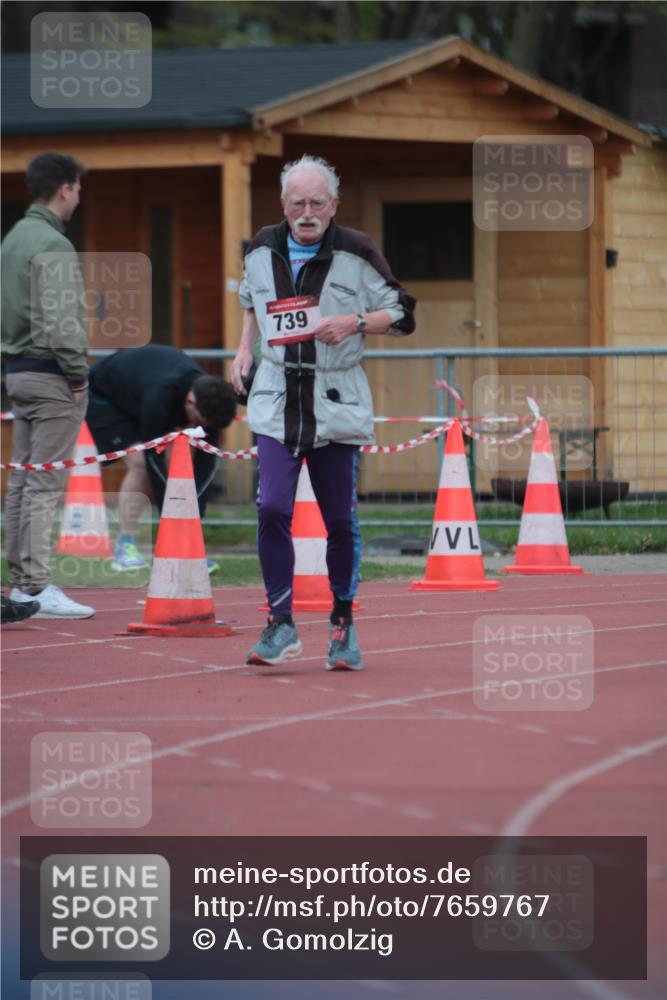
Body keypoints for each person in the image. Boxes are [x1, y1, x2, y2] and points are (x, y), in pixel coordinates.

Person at [231, 154, 415, 670]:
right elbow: (249, 296)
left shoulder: (358, 251)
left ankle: (342, 621)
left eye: (316, 203)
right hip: (276, 398)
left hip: (335, 399)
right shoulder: (262, 246)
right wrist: (244, 349)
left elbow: (403, 313)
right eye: (297, 203)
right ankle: (280, 623)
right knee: (271, 510)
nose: (306, 213)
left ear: (334, 204)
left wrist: (355, 321)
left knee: (338, 518)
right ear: (283, 205)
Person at [2, 151, 95, 619]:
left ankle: (22, 583)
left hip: (16, 370)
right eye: (78, 188)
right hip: (51, 373)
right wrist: (77, 375)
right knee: (43, 482)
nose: (79, 197)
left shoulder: (14, 238)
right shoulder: (54, 245)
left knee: (22, 479)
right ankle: (35, 585)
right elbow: (61, 323)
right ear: (65, 188)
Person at [86, 344, 237, 570]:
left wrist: (193, 522)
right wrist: (174, 519)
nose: (200, 427)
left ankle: (185, 548)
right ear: (190, 402)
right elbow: (152, 460)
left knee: (173, 463)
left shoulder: (211, 402)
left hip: (138, 392)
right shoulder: (161, 394)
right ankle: (125, 546)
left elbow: (206, 464)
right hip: (104, 396)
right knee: (141, 464)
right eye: (199, 421)